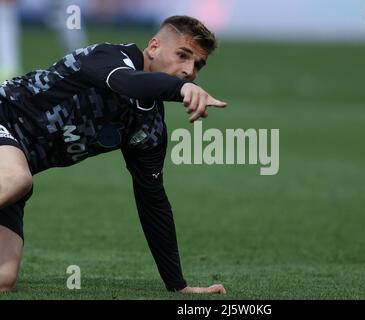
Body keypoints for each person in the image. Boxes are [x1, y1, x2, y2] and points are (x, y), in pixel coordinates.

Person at [0, 15, 227, 294]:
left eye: (197, 66)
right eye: (183, 55)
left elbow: (152, 202)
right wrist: (181, 89)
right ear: (154, 47)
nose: (189, 71)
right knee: (16, 179)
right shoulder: (106, 56)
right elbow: (128, 83)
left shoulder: (149, 128)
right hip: (4, 123)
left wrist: (178, 285)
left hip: (11, 162)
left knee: (4, 280)